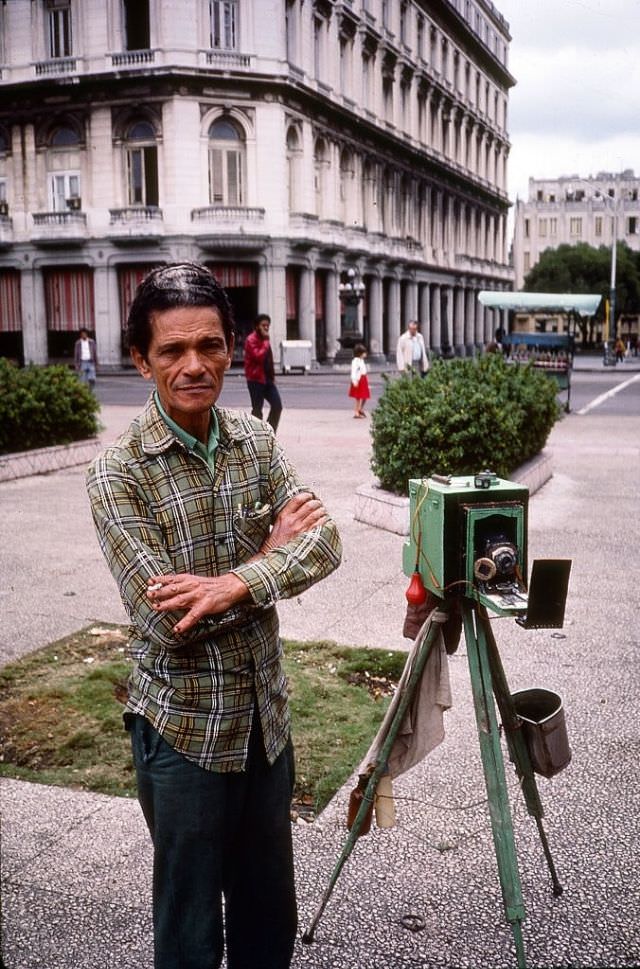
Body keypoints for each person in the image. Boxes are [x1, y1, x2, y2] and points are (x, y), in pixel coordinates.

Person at [86, 263, 342, 969]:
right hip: (182, 734)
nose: (194, 365)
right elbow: (168, 618)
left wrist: (230, 583)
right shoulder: (118, 474)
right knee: (191, 931)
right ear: (141, 359)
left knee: (268, 919)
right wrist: (266, 566)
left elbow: (327, 541)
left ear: (232, 346)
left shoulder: (254, 442)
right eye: (172, 350)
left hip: (266, 726)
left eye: (210, 345)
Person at [244, 313, 283, 432]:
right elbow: (258, 357)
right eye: (263, 325)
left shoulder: (264, 339)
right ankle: (257, 435)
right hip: (255, 380)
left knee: (277, 406)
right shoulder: (251, 340)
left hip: (267, 380)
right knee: (257, 410)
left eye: (268, 325)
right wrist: (266, 342)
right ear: (257, 326)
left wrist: (272, 376)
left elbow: (269, 360)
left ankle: (270, 432)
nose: (266, 328)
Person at [348, 343, 370, 418]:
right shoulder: (356, 361)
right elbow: (354, 371)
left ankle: (360, 409)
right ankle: (356, 411)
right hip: (359, 379)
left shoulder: (361, 360)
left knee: (365, 396)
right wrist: (355, 381)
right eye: (364, 353)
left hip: (363, 379)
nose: (365, 354)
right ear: (359, 353)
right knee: (358, 397)